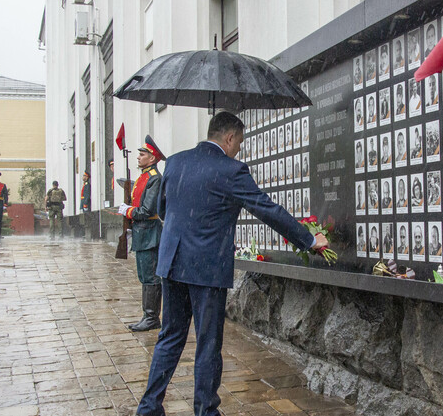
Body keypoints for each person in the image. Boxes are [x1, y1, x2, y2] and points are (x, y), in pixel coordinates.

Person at [137, 112, 327, 416]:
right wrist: (308, 239)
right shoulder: (230, 170)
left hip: (171, 264)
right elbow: (266, 209)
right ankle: (206, 411)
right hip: (207, 269)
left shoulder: (174, 162)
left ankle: (148, 409)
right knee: (208, 343)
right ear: (229, 137)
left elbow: (162, 207)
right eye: (239, 141)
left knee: (170, 337)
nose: (239, 148)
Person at [117, 135, 166, 333]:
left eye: (142, 154)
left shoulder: (154, 178)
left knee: (151, 278)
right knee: (144, 276)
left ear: (152, 158)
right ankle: (147, 315)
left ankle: (152, 317)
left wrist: (127, 211)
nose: (138, 157)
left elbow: (146, 210)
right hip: (142, 233)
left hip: (150, 234)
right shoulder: (144, 176)